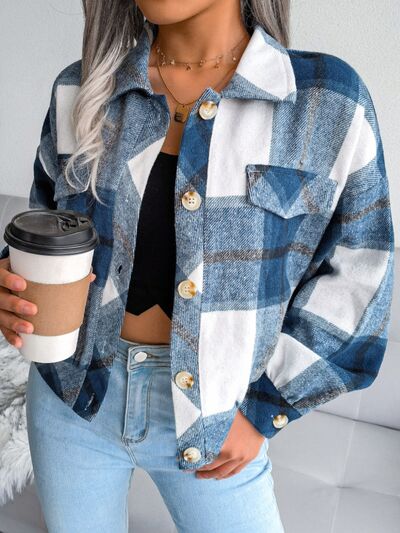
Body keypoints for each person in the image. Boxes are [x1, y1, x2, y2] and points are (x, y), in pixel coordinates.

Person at [0, 1, 394, 531]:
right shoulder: (82, 89)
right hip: (70, 399)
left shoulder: (325, 101)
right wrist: (13, 284)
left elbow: (362, 273)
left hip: (216, 420)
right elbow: (46, 228)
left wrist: (265, 408)